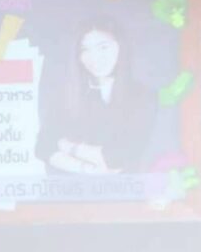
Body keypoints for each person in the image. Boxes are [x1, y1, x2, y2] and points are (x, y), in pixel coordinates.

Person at [35, 16, 157, 174]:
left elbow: (118, 157)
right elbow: (43, 147)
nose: (94, 57)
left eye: (103, 47)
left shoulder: (143, 96)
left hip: (124, 188)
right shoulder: (67, 94)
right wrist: (87, 169)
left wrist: (68, 147)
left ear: (120, 46)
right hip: (74, 186)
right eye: (85, 50)